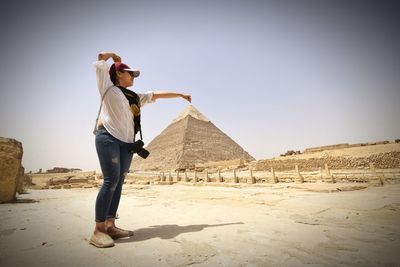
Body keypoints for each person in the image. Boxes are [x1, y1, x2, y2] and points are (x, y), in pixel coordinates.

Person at [89, 51, 191, 248]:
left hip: (127, 144)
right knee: (110, 181)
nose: (133, 77)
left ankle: (110, 225)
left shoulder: (134, 97)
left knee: (118, 183)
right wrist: (111, 56)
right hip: (108, 138)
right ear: (119, 74)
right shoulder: (107, 88)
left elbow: (156, 95)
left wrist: (179, 94)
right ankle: (98, 230)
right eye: (130, 73)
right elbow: (101, 59)